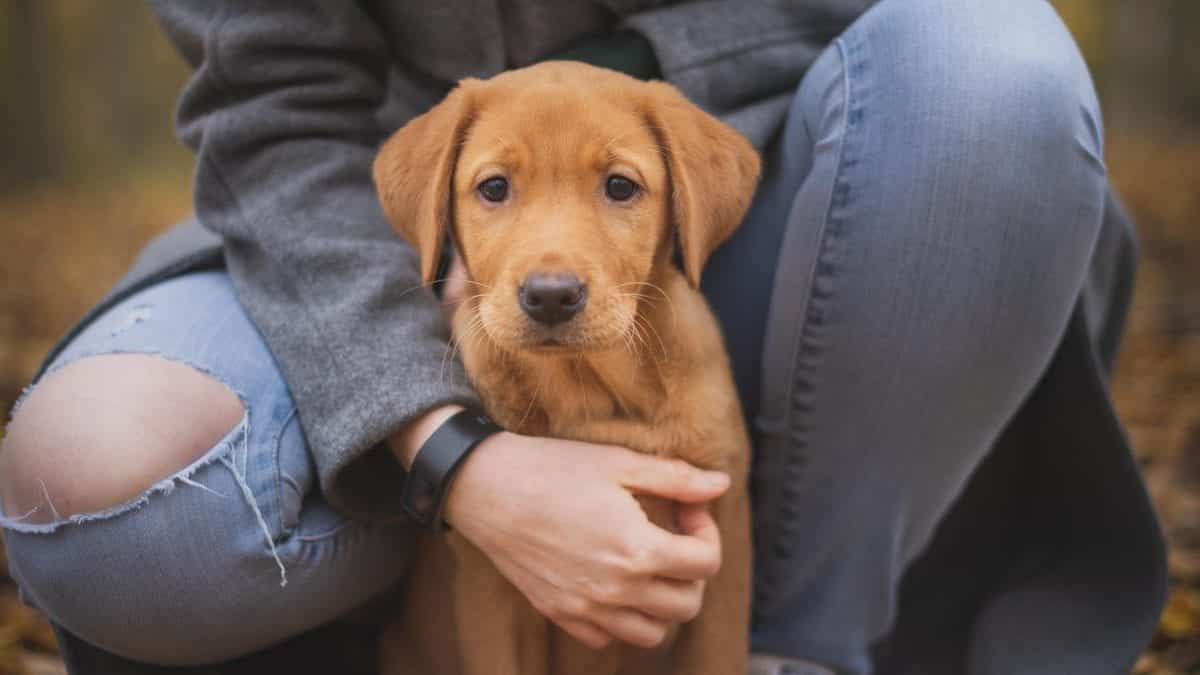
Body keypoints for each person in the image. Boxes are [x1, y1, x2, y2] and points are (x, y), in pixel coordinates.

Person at [0, 1, 1167, 674]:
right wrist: (451, 456)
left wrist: (644, 108)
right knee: (95, 493)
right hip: (348, 244)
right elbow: (268, 111)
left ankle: (807, 646)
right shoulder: (433, 179)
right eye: (503, 187)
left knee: (997, 62)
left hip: (799, 183)